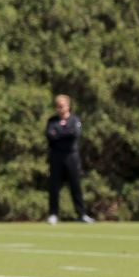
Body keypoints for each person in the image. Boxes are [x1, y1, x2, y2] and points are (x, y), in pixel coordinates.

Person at [45, 94, 95, 224]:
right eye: (57, 106)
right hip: (56, 156)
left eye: (62, 106)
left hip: (71, 156)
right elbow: (50, 135)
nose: (59, 109)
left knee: (75, 185)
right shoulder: (52, 121)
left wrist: (59, 133)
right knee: (54, 186)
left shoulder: (74, 120)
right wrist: (64, 132)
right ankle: (53, 214)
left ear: (68, 106)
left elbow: (74, 134)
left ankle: (81, 214)